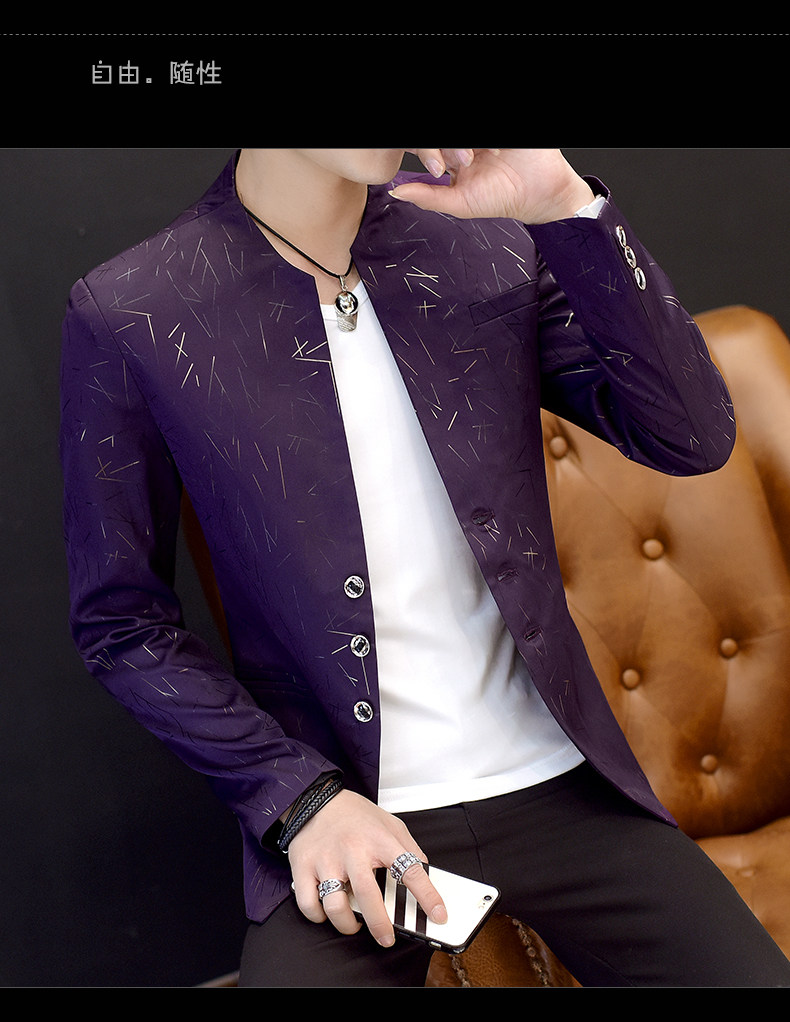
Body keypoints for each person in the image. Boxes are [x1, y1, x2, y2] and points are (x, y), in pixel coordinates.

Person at [60, 149, 790, 987]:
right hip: (350, 807)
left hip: (564, 785)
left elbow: (689, 436)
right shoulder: (134, 309)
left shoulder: (489, 242)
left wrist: (566, 205)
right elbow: (123, 624)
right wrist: (297, 798)